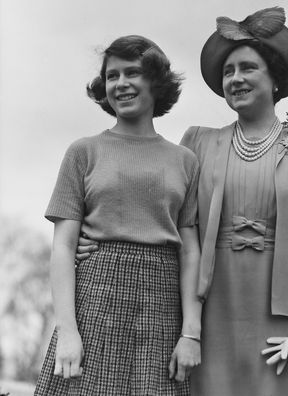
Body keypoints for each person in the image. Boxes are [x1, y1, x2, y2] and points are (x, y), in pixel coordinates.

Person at [77, 7, 288, 396]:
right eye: (228, 72)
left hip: (283, 309)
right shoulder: (199, 143)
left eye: (247, 68)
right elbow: (162, 209)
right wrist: (96, 240)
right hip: (209, 305)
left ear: (275, 79)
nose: (235, 78)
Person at [35, 35, 201, 396]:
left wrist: (191, 332)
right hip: (96, 298)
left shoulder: (185, 161)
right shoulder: (83, 152)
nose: (121, 84)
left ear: (156, 81)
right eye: (112, 76)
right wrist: (67, 331)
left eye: (133, 73)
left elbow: (190, 251)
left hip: (161, 305)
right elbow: (63, 247)